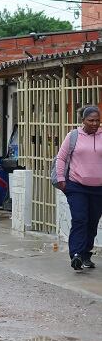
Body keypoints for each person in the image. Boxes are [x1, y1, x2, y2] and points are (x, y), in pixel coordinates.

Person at [53, 105, 102, 271]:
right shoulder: (73, 136)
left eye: (97, 120)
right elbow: (61, 158)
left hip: (99, 188)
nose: (95, 123)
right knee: (80, 218)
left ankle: (86, 253)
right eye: (91, 120)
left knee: (92, 221)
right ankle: (76, 254)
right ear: (83, 121)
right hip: (76, 185)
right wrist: (61, 179)